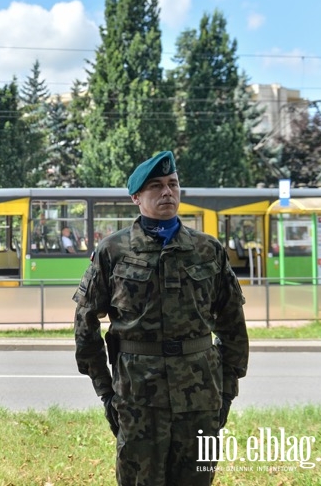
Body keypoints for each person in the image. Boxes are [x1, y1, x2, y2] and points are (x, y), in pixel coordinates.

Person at [73, 151, 249, 485]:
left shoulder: (207, 249)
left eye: (173, 184)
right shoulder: (113, 251)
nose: (167, 192)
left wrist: (227, 390)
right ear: (136, 197)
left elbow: (232, 324)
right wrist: (106, 393)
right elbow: (85, 324)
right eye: (156, 186)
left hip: (200, 397)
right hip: (138, 399)